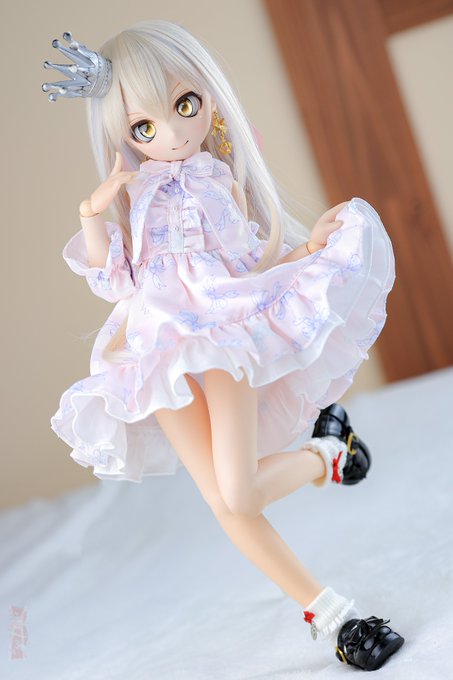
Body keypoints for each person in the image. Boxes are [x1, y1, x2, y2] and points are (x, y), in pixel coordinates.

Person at [42, 20, 404, 671]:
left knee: (239, 494)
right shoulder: (135, 194)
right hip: (150, 349)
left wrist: (307, 249)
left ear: (208, 95)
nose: (171, 133)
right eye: (143, 127)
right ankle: (335, 619)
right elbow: (115, 281)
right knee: (222, 502)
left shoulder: (215, 181)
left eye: (185, 105)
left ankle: (327, 454)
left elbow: (243, 266)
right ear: (124, 134)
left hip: (216, 336)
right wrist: (91, 215)